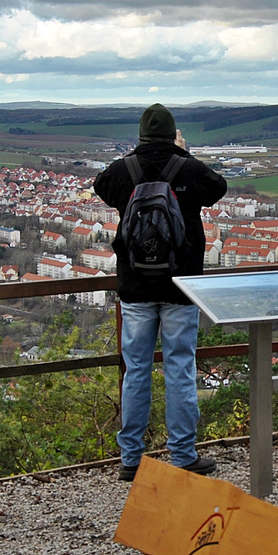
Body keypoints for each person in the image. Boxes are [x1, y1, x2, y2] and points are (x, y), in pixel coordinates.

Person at [94, 104, 227, 481]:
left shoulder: (125, 171)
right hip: (181, 287)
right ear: (173, 135)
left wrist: (133, 161)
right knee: (180, 369)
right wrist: (184, 153)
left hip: (135, 287)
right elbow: (218, 187)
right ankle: (183, 455)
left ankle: (131, 459)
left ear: (141, 135)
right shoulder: (187, 169)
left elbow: (102, 185)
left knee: (135, 371)